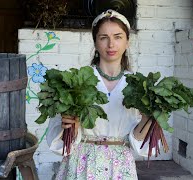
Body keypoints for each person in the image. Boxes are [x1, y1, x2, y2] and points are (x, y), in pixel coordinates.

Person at [46, 9, 154, 180]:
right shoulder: (78, 80)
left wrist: (149, 119)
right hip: (82, 163)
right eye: (104, 37)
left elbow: (138, 143)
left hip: (120, 167)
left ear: (127, 42)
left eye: (118, 37)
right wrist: (68, 124)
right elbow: (63, 141)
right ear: (95, 43)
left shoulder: (138, 86)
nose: (111, 44)